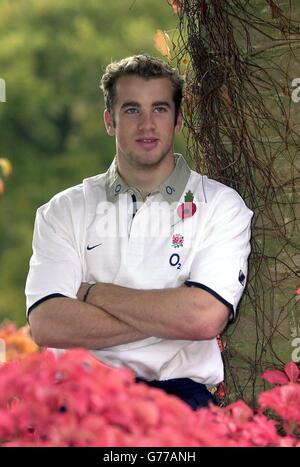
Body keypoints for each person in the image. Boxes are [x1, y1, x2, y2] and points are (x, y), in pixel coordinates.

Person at [25, 54, 253, 410]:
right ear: (109, 121)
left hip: (179, 399)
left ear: (178, 120)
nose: (147, 124)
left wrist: (94, 293)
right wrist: (171, 311)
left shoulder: (221, 206)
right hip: (79, 397)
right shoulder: (65, 210)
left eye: (159, 109)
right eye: (132, 109)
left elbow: (204, 317)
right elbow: (48, 323)